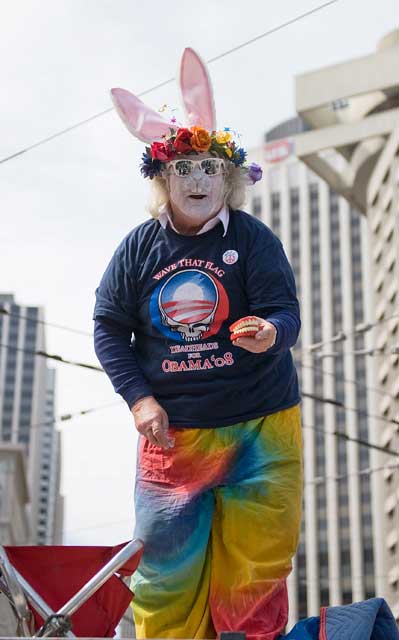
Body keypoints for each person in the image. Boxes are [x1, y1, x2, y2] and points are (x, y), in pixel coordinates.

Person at [93, 48, 303, 640]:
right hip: (173, 435)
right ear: (164, 179)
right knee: (164, 579)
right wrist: (140, 400)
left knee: (256, 575)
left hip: (263, 428)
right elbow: (109, 326)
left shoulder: (254, 240)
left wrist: (269, 334)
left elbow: (285, 312)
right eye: (184, 169)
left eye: (211, 167)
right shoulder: (138, 249)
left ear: (230, 179)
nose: (199, 179)